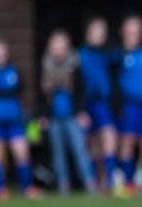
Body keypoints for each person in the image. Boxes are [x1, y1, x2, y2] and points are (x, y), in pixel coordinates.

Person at [40, 29, 98, 195]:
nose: (58, 49)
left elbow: (81, 91)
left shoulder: (74, 65)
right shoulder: (46, 66)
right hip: (54, 118)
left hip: (72, 116)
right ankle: (63, 186)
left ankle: (89, 184)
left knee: (80, 151)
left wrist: (81, 111)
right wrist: (43, 115)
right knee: (58, 154)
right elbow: (42, 96)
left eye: (61, 45)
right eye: (55, 45)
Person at [0, 39, 38, 200]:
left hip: (13, 119)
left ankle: (27, 187)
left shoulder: (14, 71)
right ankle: (0, 189)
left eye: (1, 51)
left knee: (21, 152)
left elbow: (21, 89)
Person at [116, 14, 142, 196]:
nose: (134, 33)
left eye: (137, 29)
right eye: (130, 29)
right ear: (124, 31)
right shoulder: (118, 55)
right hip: (128, 106)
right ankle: (127, 181)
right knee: (127, 142)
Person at [79, 16, 119, 190]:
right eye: (95, 31)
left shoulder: (109, 54)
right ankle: (96, 180)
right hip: (88, 102)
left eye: (102, 32)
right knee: (94, 143)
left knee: (109, 137)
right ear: (88, 34)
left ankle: (109, 179)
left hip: (104, 102)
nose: (98, 35)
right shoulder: (80, 54)